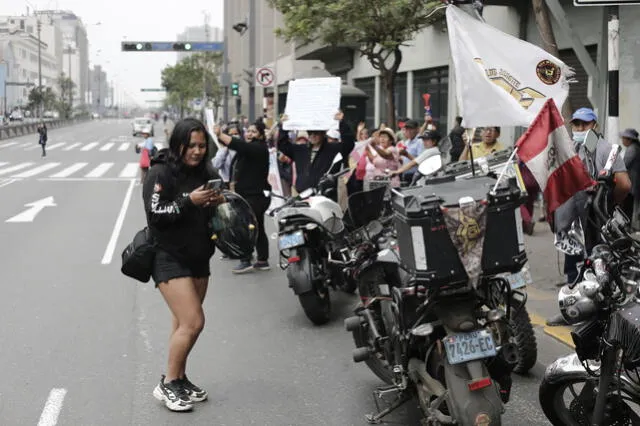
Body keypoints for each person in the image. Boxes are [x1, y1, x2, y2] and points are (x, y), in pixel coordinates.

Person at [143, 118, 224, 412]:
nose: (197, 151)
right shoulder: (160, 172)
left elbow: (214, 208)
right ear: (179, 144)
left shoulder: (207, 171)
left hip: (200, 256)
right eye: (191, 145)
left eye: (202, 145)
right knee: (193, 322)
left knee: (182, 325)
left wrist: (217, 201)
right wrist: (188, 200)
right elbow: (156, 214)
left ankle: (177, 378)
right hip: (168, 256)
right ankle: (166, 385)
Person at [546, 107, 631, 326]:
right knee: (575, 266)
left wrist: (609, 203)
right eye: (576, 124)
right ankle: (573, 312)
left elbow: (624, 184)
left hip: (597, 221)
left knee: (599, 268)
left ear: (595, 125)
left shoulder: (607, 150)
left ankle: (599, 319)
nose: (580, 128)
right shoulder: (572, 149)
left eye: (584, 124)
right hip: (575, 222)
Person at [214, 119, 272, 274]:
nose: (250, 134)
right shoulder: (248, 150)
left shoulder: (258, 148)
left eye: (254, 131)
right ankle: (262, 259)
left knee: (246, 227)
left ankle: (246, 259)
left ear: (260, 135)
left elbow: (239, 144)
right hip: (246, 195)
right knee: (257, 227)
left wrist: (221, 134)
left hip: (254, 196)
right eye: (249, 131)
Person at [277, 111, 355, 194]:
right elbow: (282, 145)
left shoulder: (333, 149)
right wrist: (284, 126)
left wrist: (341, 123)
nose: (312, 135)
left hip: (325, 196)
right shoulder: (300, 150)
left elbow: (349, 144)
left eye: (316, 133)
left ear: (323, 133)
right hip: (302, 196)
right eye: (310, 133)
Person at [620, 128, 640, 229]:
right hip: (634, 182)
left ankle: (627, 226)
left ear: (629, 139)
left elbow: (624, 164)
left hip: (632, 182)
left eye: (624, 138)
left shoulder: (632, 149)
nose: (622, 141)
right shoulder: (635, 147)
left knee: (628, 205)